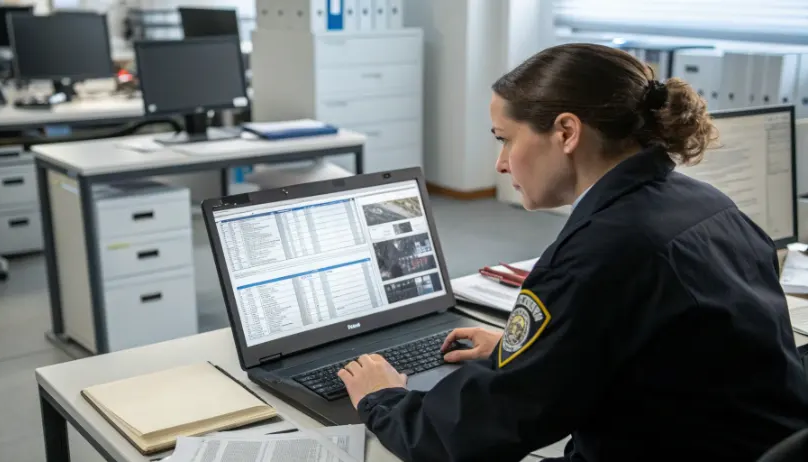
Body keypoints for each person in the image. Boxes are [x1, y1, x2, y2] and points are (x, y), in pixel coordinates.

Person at [335, 43, 808, 461]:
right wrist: (536, 351)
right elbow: (666, 347)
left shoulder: (600, 253)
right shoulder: (710, 205)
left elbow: (469, 435)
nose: (500, 163)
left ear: (566, 132)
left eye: (505, 138)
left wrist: (383, 399)